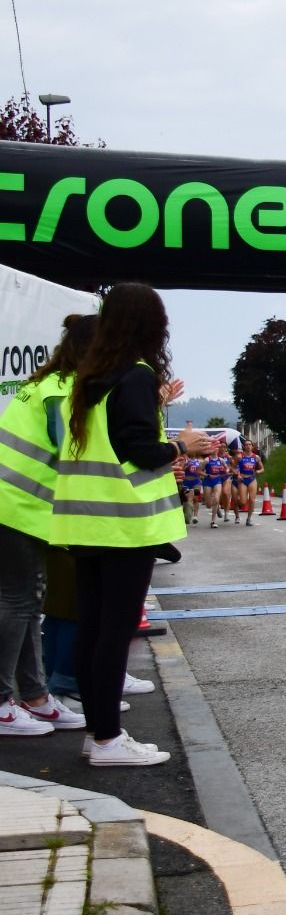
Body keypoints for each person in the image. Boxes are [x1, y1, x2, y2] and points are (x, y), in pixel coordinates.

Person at [51, 283, 214, 765]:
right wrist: (183, 446)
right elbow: (141, 451)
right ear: (151, 325)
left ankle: (97, 733)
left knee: (92, 629)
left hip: (83, 523)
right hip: (123, 526)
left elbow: (111, 442)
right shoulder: (136, 376)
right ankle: (106, 741)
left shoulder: (89, 379)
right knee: (114, 632)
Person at [0, 314, 97, 738]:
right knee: (19, 602)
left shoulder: (48, 383)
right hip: (17, 508)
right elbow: (72, 455)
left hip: (18, 507)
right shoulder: (64, 392)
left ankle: (35, 697)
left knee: (28, 602)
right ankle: (4, 702)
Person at [237, 440, 263, 526]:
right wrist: (238, 474)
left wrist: (259, 471)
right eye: (246, 445)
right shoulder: (240, 456)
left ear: (252, 446)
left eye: (249, 444)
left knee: (252, 500)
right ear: (244, 447)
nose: (248, 446)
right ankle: (237, 502)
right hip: (243, 480)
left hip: (252, 479)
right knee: (243, 502)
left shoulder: (256, 457)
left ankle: (249, 519)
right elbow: (233, 467)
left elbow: (262, 468)